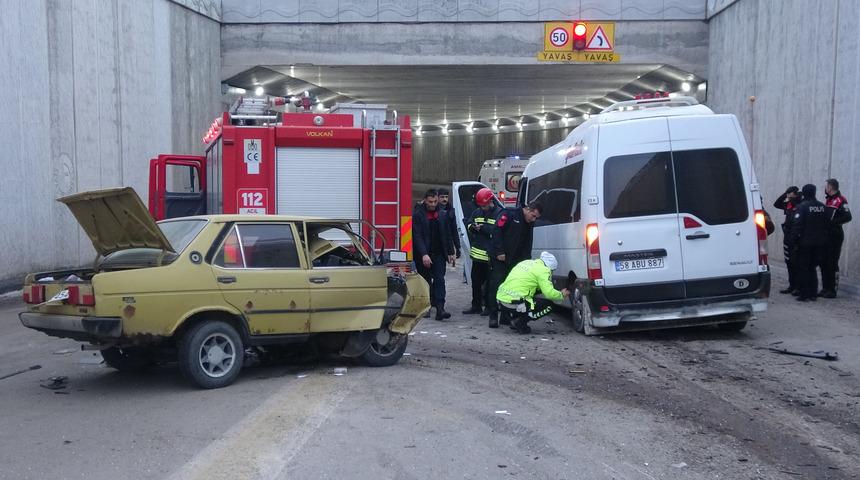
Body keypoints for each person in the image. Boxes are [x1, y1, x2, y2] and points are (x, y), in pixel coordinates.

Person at [487, 202, 543, 328]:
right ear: (528, 210)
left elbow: (527, 242)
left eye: (536, 218)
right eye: (533, 216)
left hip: (515, 259)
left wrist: (527, 261)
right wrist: (499, 251)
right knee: (496, 285)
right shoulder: (509, 214)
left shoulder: (529, 223)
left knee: (511, 288)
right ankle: (493, 315)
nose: (534, 219)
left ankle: (506, 316)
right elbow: (496, 231)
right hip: (500, 257)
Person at [496, 252, 571, 334]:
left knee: (527, 292)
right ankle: (520, 322)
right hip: (516, 304)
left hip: (501, 300)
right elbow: (549, 293)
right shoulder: (544, 270)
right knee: (549, 305)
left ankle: (514, 319)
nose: (551, 273)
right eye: (552, 271)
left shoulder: (526, 262)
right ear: (550, 268)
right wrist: (561, 295)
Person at [412, 189, 456, 319]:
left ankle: (440, 308)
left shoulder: (442, 215)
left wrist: (451, 251)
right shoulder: (418, 215)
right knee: (425, 281)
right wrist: (424, 254)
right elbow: (417, 236)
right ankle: (426, 307)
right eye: (430, 202)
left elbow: (447, 234)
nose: (432, 204)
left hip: (438, 254)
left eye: (435, 202)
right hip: (423, 254)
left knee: (439, 280)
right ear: (425, 200)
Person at [462, 188, 502, 315]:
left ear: (491, 201)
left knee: (490, 284)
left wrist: (483, 228)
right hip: (478, 256)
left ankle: (490, 308)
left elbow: (498, 231)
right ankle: (476, 306)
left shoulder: (499, 213)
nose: (483, 208)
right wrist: (472, 227)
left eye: (484, 205)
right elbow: (468, 223)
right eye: (481, 205)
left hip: (490, 256)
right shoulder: (477, 212)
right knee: (476, 283)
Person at [790, 184, 829, 302]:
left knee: (803, 268)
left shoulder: (802, 207)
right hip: (820, 243)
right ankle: (813, 293)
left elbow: (797, 226)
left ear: (805, 193)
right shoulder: (822, 206)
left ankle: (804, 293)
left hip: (805, 243)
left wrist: (792, 240)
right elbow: (827, 224)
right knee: (812, 268)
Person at [821, 178, 852, 298]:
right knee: (824, 262)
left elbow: (848, 217)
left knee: (832, 262)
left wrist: (832, 222)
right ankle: (825, 288)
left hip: (835, 236)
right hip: (826, 235)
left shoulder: (841, 200)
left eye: (826, 186)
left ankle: (832, 290)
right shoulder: (828, 200)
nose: (825, 188)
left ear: (831, 187)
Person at [773, 186, 800, 294]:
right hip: (788, 237)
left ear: (795, 194)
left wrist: (793, 196)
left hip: (796, 238)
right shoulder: (788, 204)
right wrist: (785, 194)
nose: (788, 196)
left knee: (796, 263)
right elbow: (776, 204)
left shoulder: (799, 204)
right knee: (789, 262)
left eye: (790, 194)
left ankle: (798, 287)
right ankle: (792, 285)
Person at [438, 188, 462, 261]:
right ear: (438, 198)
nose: (444, 199)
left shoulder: (451, 211)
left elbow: (453, 230)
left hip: (446, 242)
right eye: (442, 197)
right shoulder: (435, 210)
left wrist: (457, 247)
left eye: (446, 197)